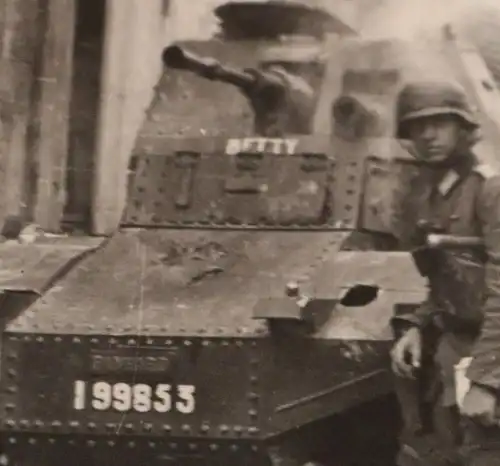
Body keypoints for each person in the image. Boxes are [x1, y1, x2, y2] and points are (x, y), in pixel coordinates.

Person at [389, 78, 500, 466]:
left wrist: (488, 381)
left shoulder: (490, 190)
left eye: (440, 123)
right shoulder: (436, 192)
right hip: (456, 349)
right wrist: (419, 324)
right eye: (417, 126)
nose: (428, 135)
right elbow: (449, 276)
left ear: (463, 127)